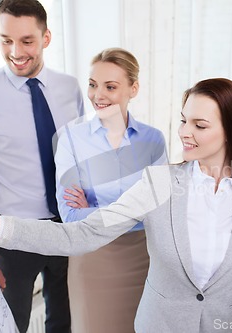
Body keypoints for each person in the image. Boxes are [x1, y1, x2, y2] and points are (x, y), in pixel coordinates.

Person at [0, 78, 232, 333]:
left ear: (231, 130)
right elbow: (81, 235)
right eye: (184, 121)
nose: (184, 133)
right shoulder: (158, 183)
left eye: (200, 126)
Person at [0, 0, 84, 332]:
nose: (15, 51)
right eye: (5, 40)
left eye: (27, 41)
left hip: (67, 230)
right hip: (12, 237)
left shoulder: (70, 88)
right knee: (8, 326)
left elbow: (82, 158)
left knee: (66, 324)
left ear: (46, 38)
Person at [55, 47, 167, 332]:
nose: (98, 95)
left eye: (110, 86)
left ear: (133, 88)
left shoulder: (153, 140)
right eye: (92, 85)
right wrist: (135, 209)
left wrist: (92, 210)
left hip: (144, 259)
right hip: (91, 257)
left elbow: (161, 208)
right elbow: (69, 215)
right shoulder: (71, 139)